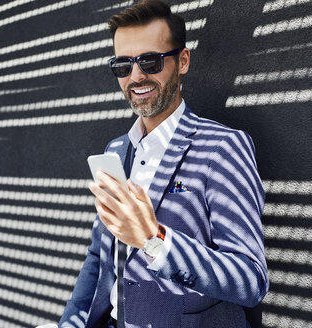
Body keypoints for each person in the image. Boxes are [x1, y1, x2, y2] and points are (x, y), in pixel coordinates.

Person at [58, 1, 269, 327]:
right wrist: (69, 322)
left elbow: (250, 280)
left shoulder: (222, 147)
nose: (136, 76)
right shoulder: (116, 150)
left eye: (150, 61)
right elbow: (99, 257)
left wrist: (153, 238)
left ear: (182, 61)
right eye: (123, 65)